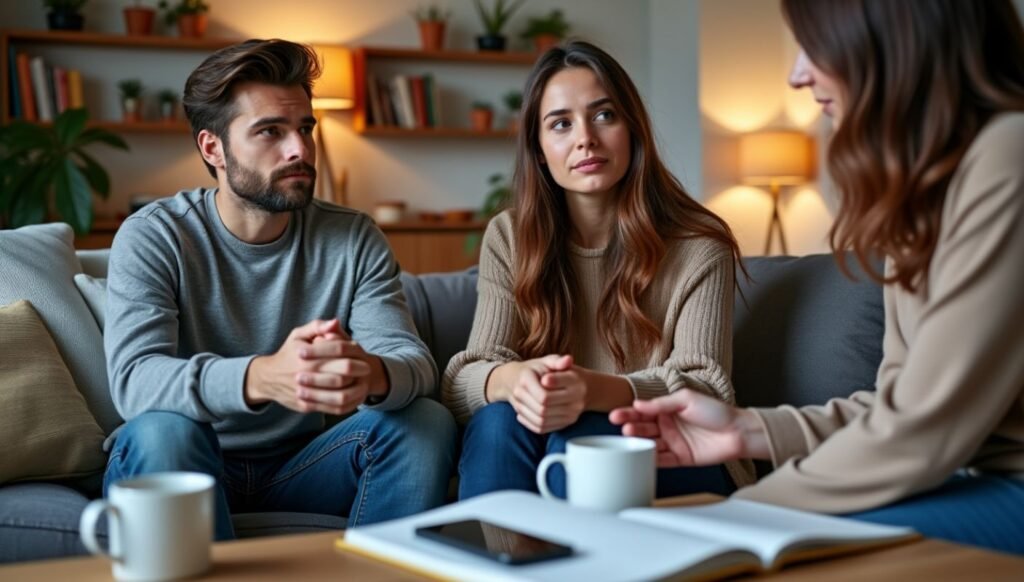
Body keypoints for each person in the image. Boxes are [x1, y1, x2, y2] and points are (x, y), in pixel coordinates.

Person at [611, 0, 1024, 554]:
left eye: (814, 45)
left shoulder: (1007, 156)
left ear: (892, 36)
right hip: (971, 480)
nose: (797, 74)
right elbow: (897, 406)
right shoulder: (926, 194)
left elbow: (923, 431)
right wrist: (743, 430)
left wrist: (743, 512)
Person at [103, 39, 457, 540]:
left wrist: (371, 372)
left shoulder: (353, 236)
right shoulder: (155, 235)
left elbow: (414, 363)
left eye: (304, 128)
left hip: (304, 465)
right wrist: (261, 377)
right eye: (270, 131)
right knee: (163, 429)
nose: (300, 149)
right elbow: (135, 380)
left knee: (424, 420)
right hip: (187, 454)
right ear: (213, 148)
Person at [444, 40, 755, 500]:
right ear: (540, 149)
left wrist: (596, 391)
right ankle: (500, 570)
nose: (585, 138)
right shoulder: (510, 236)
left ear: (632, 128)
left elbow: (708, 389)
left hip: (678, 449)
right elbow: (462, 379)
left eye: (604, 115)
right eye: (561, 124)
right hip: (551, 439)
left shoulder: (698, 245)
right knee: (498, 420)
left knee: (582, 439)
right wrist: (513, 380)